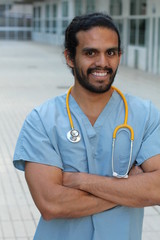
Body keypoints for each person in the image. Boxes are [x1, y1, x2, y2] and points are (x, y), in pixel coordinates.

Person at [13, 12, 160, 240]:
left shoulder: (146, 114)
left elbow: (157, 189)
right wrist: (131, 189)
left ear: (120, 55)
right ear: (70, 57)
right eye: (90, 53)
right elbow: (51, 204)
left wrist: (81, 181)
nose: (102, 63)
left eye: (110, 52)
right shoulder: (42, 120)